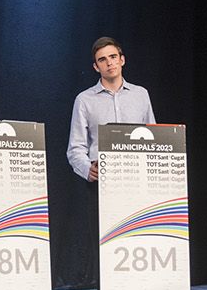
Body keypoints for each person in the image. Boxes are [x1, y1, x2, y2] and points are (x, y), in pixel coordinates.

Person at [66, 36, 156, 183]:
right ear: (96, 67)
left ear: (122, 60)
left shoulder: (141, 94)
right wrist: (87, 169)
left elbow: (153, 138)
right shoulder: (84, 100)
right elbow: (76, 147)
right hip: (102, 181)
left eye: (113, 57)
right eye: (102, 60)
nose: (109, 63)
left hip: (138, 179)